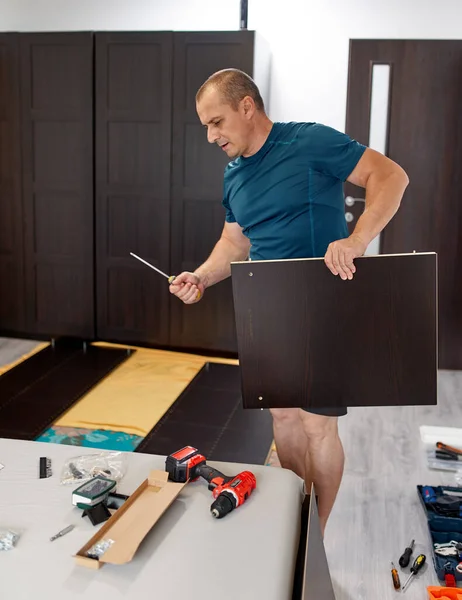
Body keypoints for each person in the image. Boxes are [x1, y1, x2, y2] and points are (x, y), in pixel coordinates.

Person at [169, 68, 409, 534]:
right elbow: (235, 243)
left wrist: (357, 240)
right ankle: (292, 523)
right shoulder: (234, 175)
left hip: (323, 303)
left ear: (246, 106)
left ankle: (314, 540)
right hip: (268, 308)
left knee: (318, 426)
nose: (210, 135)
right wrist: (200, 276)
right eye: (204, 126)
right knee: (283, 418)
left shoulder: (309, 142)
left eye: (216, 122)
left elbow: (391, 177)